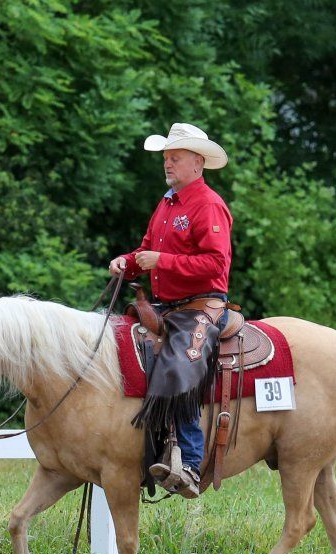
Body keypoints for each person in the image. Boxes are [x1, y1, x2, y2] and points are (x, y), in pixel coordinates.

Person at [109, 122, 233, 498]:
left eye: (175, 158)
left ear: (198, 162)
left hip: (201, 306)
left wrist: (161, 261)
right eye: (166, 158)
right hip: (164, 307)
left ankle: (191, 464)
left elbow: (215, 264)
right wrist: (126, 263)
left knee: (182, 364)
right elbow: (146, 251)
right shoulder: (166, 203)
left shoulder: (208, 204)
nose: (168, 163)